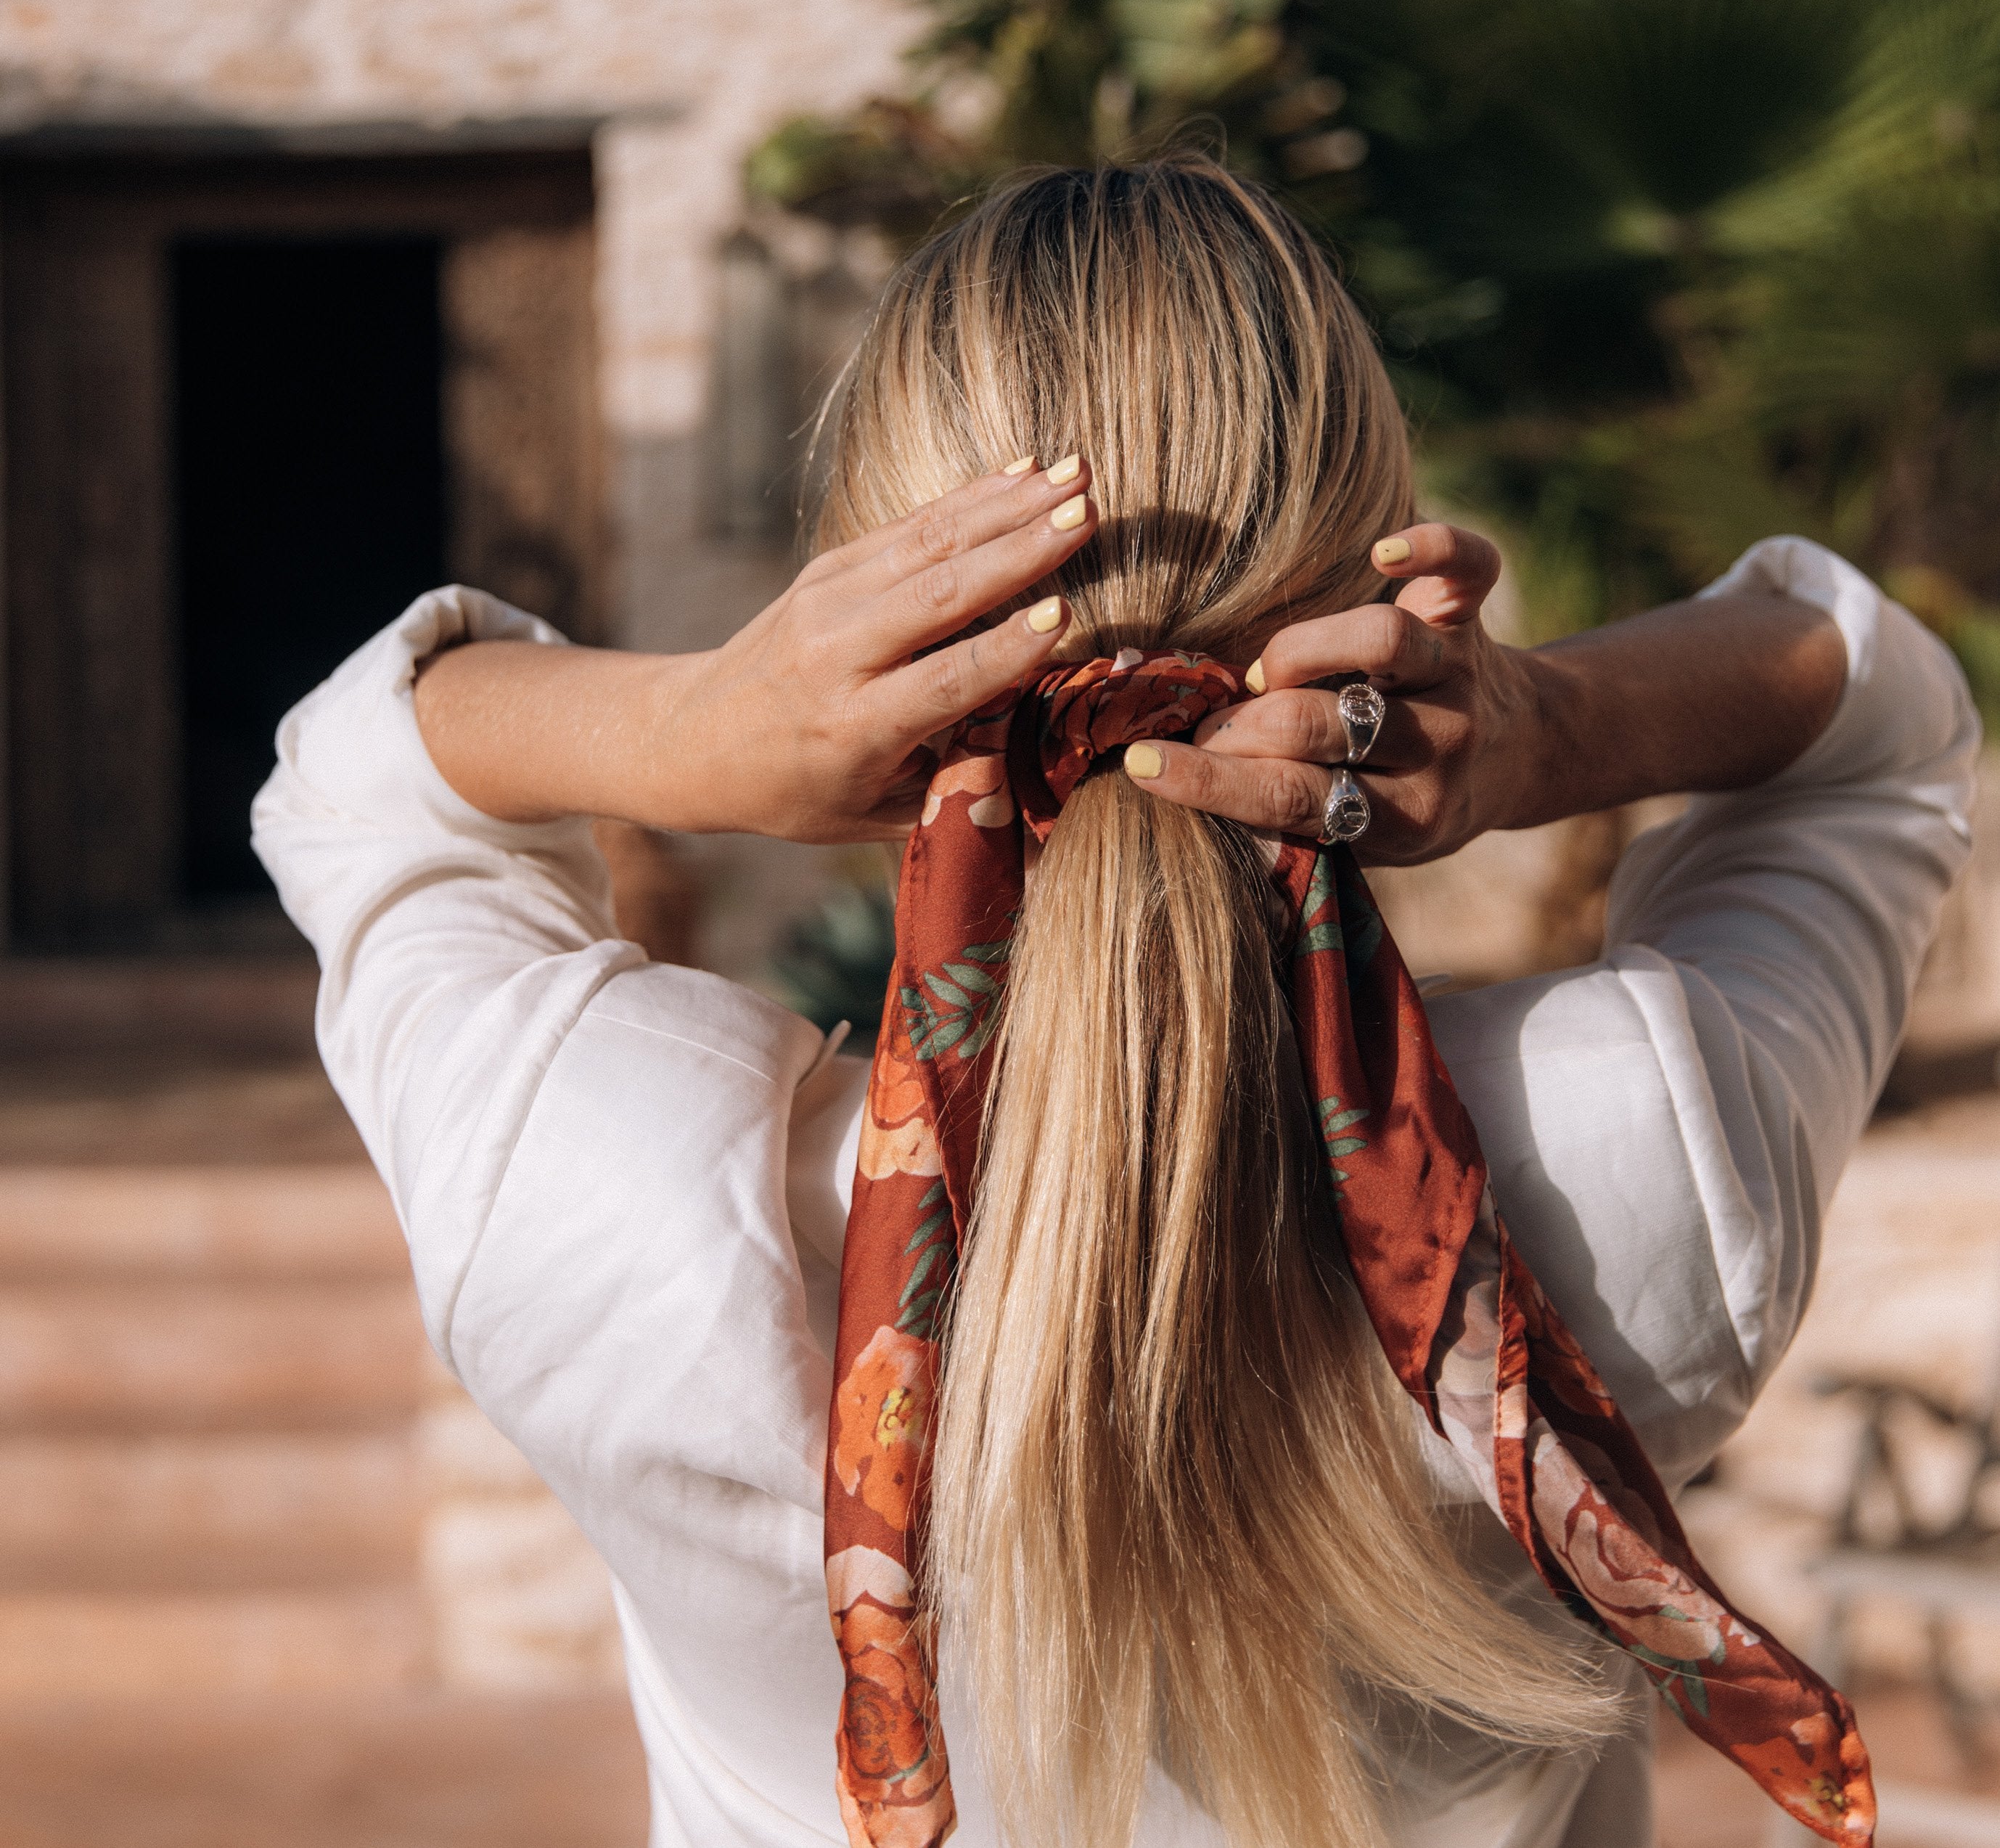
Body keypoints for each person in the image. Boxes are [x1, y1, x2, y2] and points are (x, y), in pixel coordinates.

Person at [253, 158, 1977, 1848]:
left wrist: (689, 734)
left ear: (865, 623)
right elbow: (1885, 722)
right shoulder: (1646, 1152)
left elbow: (352, 776)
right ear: (1374, 608)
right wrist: (1551, 732)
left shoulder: (604, 1193)